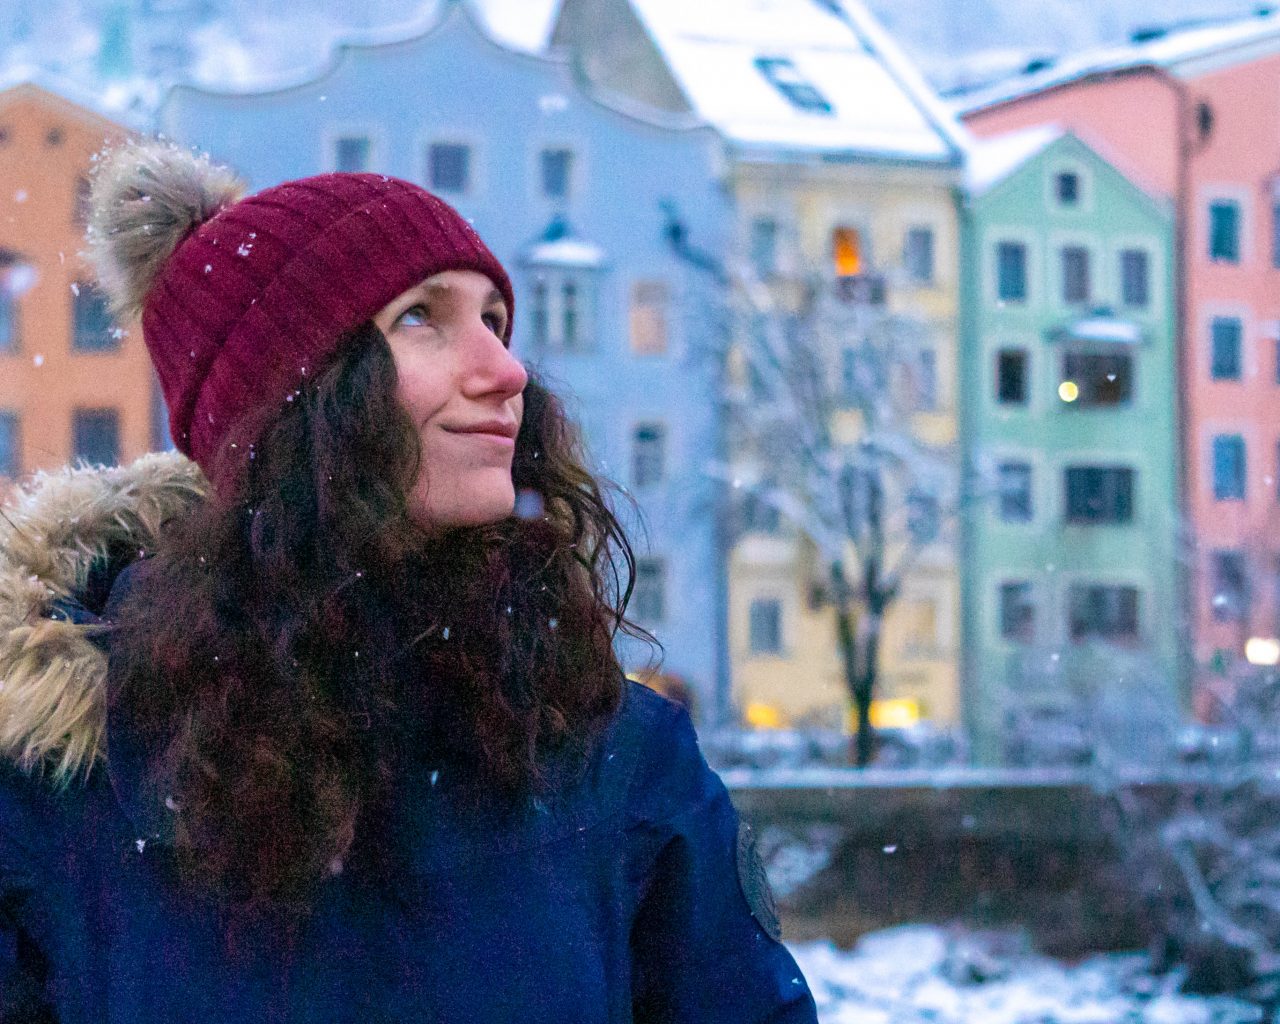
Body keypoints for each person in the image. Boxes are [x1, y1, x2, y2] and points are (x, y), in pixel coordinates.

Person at [0, 138, 818, 1022]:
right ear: (289, 402)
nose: (506, 371)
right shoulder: (62, 785)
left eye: (495, 321)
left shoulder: (616, 756)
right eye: (422, 317)